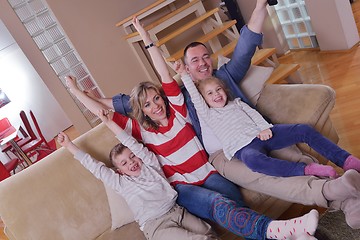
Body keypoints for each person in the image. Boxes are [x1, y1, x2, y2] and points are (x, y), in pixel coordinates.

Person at [67, 0, 360, 229]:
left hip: (255, 132)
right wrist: (83, 95)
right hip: (223, 154)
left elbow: (246, 46)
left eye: (206, 56)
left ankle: (346, 202)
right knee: (263, 176)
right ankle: (335, 192)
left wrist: (259, 8)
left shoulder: (223, 79)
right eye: (195, 60)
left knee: (296, 156)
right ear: (183, 67)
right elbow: (124, 104)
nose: (203, 63)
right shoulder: (179, 98)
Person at [177, 72, 360, 178]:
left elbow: (255, 115)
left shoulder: (238, 103)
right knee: (253, 161)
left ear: (225, 91)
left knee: (303, 129)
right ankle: (307, 170)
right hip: (243, 148)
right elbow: (194, 94)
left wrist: (264, 128)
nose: (216, 95)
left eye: (218, 90)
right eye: (210, 94)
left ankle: (347, 160)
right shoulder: (207, 114)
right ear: (204, 100)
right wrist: (184, 75)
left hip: (263, 133)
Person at [57, 123, 217, 240]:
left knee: (208, 232)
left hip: (177, 211)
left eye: (132, 156)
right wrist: (69, 145)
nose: (131, 163)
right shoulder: (121, 183)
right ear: (119, 171)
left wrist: (110, 122)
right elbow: (96, 168)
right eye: (124, 163)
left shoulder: (151, 165)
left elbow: (134, 145)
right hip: (156, 226)